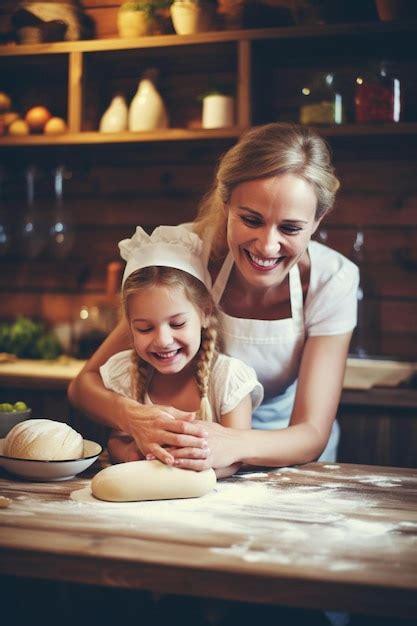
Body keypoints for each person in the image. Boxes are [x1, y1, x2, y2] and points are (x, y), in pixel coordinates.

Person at [68, 122, 359, 472]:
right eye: (251, 220)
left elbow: (311, 432)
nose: (267, 245)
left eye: (290, 228)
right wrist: (136, 419)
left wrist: (228, 443)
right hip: (189, 459)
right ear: (226, 203)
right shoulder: (184, 256)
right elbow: (84, 385)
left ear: (318, 220)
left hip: (289, 463)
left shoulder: (332, 280)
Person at [98, 224, 263, 474]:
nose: (163, 340)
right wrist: (131, 455)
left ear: (205, 314)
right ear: (129, 327)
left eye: (177, 324)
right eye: (144, 328)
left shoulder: (229, 379)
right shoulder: (125, 373)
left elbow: (237, 457)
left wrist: (189, 473)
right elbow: (117, 440)